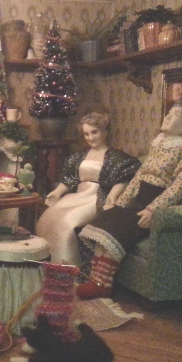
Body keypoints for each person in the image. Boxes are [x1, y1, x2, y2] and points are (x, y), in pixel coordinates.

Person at [76, 101, 182, 299]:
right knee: (105, 222)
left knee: (119, 229)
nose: (168, 116)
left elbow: (178, 187)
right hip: (137, 198)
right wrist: (122, 202)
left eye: (175, 114)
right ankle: (96, 279)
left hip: (153, 201)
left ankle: (102, 283)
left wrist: (153, 209)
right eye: (168, 113)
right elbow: (140, 175)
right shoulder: (158, 143)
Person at [35, 112, 140, 266]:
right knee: (48, 218)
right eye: (86, 134)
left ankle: (68, 266)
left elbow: (123, 178)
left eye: (94, 132)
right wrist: (58, 192)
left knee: (66, 222)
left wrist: (112, 196)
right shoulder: (79, 156)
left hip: (96, 198)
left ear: (104, 131)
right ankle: (50, 264)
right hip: (78, 196)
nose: (90, 138)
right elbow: (70, 178)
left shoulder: (117, 157)